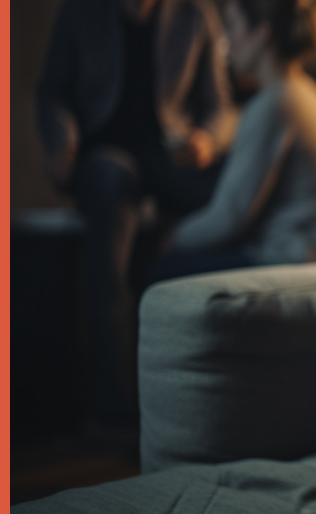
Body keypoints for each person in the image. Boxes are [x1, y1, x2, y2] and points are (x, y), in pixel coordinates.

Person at [37, 0, 238, 428]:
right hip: (105, 155)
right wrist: (63, 139)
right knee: (109, 210)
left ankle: (210, 399)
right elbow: (52, 89)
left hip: (172, 155)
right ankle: (116, 412)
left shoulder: (196, 14)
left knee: (231, 204)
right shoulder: (79, 12)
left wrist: (208, 139)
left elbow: (220, 106)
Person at [144, 0, 316, 285]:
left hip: (299, 262)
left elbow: (228, 218)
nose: (226, 42)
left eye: (234, 27)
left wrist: (170, 236)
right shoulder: (305, 96)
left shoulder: (275, 104)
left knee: (154, 276)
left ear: (262, 34)